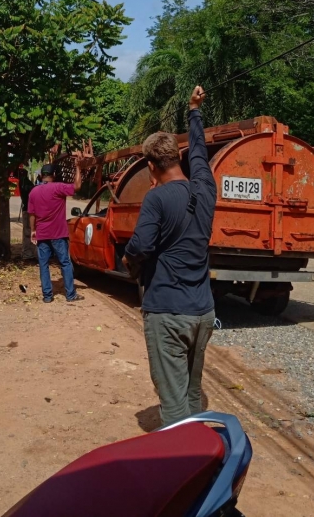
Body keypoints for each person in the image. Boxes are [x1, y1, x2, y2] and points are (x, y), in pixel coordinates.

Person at [123, 86, 216, 427]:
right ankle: (200, 447)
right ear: (178, 158)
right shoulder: (205, 187)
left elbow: (141, 246)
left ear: (151, 165)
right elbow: (200, 154)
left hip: (168, 313)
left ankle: (182, 454)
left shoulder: (156, 198)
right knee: (191, 393)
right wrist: (194, 111)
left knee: (174, 406)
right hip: (203, 312)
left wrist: (128, 260)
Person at [28, 156, 84, 304]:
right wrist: (78, 167)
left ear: (41, 175)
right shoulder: (59, 187)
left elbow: (32, 214)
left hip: (42, 234)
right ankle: (70, 295)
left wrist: (33, 230)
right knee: (65, 263)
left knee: (44, 265)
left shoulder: (33, 192)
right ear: (54, 175)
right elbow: (77, 186)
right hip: (58, 234)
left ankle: (47, 296)